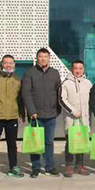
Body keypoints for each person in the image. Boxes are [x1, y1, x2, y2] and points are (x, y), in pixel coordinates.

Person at [22, 48, 62, 178]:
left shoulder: (55, 73)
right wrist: (31, 111)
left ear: (49, 58)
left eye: (45, 56)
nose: (43, 59)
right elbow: (26, 93)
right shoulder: (30, 73)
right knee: (35, 142)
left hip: (51, 114)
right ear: (37, 58)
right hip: (36, 115)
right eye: (40, 56)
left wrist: (57, 109)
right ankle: (36, 167)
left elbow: (59, 92)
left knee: (49, 142)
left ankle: (49, 167)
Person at [59, 60, 92, 178]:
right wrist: (73, 111)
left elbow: (91, 100)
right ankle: (69, 165)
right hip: (71, 119)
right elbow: (62, 100)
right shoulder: (66, 83)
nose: (78, 71)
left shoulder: (88, 83)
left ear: (83, 70)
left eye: (80, 68)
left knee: (81, 142)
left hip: (84, 119)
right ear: (72, 69)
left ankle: (80, 165)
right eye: (75, 68)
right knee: (70, 142)